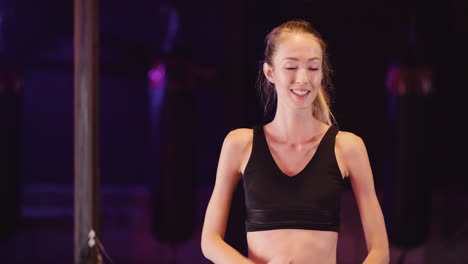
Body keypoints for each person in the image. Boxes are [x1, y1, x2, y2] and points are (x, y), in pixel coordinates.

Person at [201, 19, 389, 264]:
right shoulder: (240, 144)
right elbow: (210, 240)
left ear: (322, 73)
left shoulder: (347, 147)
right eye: (291, 67)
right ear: (270, 72)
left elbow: (380, 251)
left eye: (313, 68)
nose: (303, 78)